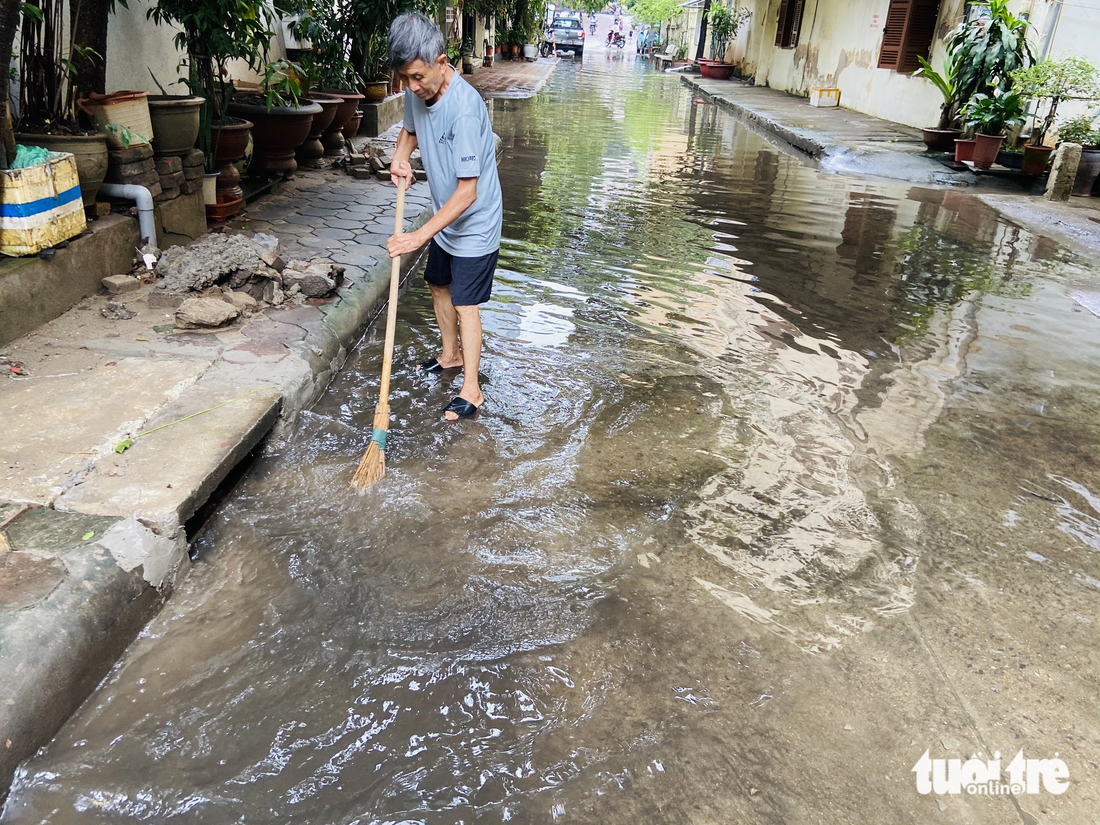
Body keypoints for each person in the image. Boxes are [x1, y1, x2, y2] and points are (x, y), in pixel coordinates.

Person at [385, 13, 503, 421]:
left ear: (441, 60)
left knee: (466, 302)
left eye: (417, 76)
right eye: (405, 79)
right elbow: (411, 129)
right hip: (445, 219)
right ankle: (449, 356)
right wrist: (400, 158)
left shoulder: (465, 110)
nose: (412, 87)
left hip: (474, 221)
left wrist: (417, 237)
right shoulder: (417, 91)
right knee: (438, 284)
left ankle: (472, 390)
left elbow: (468, 193)